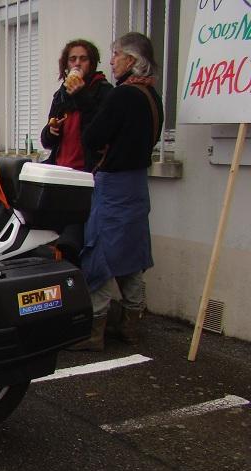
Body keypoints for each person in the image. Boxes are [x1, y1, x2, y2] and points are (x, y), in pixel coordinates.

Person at [71, 32, 163, 351]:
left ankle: (94, 332)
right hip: (137, 186)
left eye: (116, 54)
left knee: (100, 257)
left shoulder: (123, 96)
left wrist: (82, 100)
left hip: (113, 187)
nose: (112, 60)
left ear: (132, 61)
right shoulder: (153, 97)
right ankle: (132, 325)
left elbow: (94, 136)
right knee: (132, 257)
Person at [40, 39, 112, 264]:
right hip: (60, 175)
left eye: (83, 58)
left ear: (92, 63)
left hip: (86, 177)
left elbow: (101, 130)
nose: (78, 63)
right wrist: (51, 130)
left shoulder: (103, 91)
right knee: (53, 236)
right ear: (65, 64)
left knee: (75, 241)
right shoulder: (61, 95)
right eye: (73, 59)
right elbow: (47, 141)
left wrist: (81, 94)